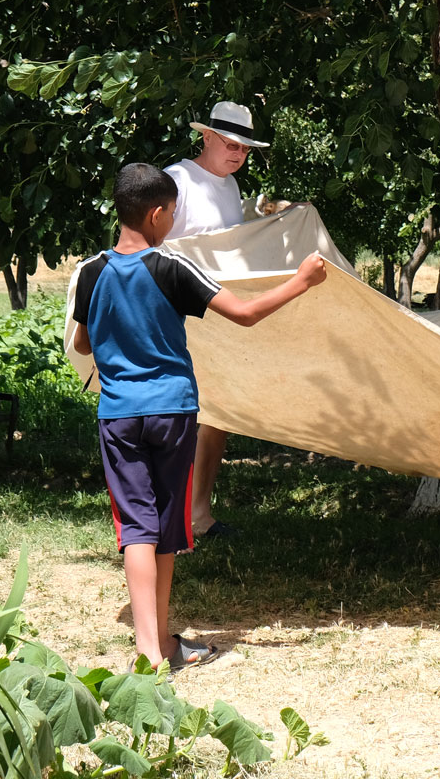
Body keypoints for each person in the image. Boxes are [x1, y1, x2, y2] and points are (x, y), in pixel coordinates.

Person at [71, 163, 325, 669]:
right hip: (173, 413)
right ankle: (154, 647)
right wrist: (302, 280)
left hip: (120, 416)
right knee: (163, 528)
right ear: (158, 213)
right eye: (174, 214)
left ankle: (158, 645)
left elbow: (82, 342)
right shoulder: (171, 268)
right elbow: (246, 314)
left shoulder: (91, 272)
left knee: (138, 529)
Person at [165, 99, 289, 540]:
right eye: (231, 144)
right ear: (207, 137)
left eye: (246, 148)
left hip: (217, 318)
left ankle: (198, 514)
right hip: (177, 319)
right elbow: (155, 250)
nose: (238, 153)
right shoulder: (176, 183)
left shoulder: (230, 186)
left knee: (216, 417)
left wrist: (265, 216)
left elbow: (223, 244)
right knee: (180, 419)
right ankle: (169, 518)